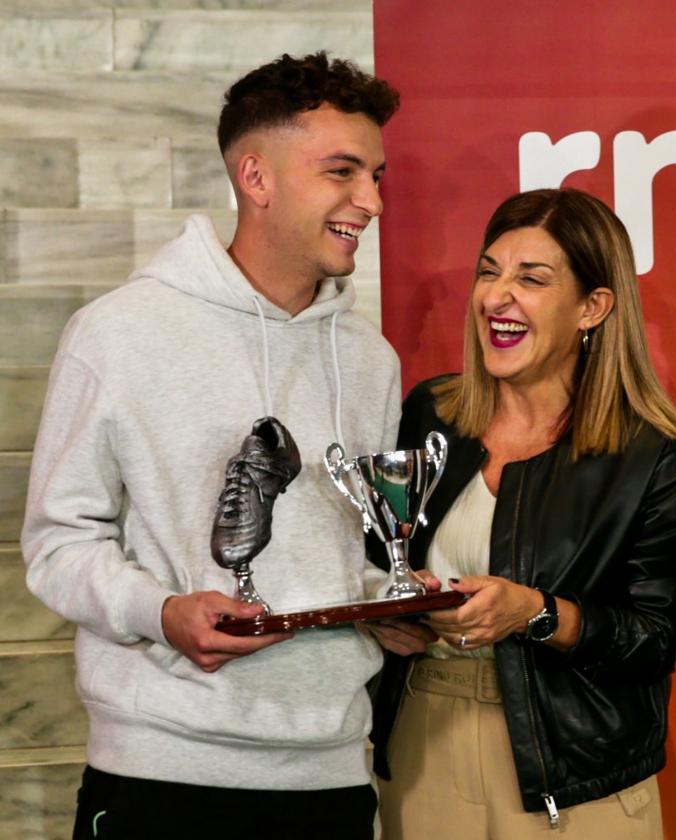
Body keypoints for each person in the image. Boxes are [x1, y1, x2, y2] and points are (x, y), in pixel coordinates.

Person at [21, 53, 401, 839]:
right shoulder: (119, 334)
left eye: (375, 175)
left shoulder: (370, 359)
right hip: (160, 777)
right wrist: (160, 612)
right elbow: (57, 545)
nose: (370, 200)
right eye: (342, 171)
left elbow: (335, 554)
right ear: (256, 179)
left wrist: (394, 600)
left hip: (331, 774)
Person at [366, 187, 676, 839]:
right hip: (422, 746)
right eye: (489, 271)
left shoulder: (655, 458)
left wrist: (537, 614)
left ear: (593, 307)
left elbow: (656, 638)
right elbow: (373, 557)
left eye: (532, 278)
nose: (498, 296)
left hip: (576, 778)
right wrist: (385, 616)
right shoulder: (428, 414)